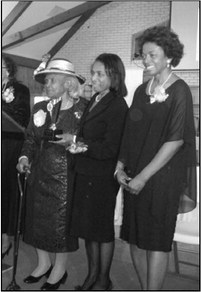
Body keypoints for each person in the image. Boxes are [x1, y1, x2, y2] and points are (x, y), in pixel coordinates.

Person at [116, 26, 197, 290]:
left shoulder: (180, 90)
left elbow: (175, 141)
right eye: (143, 55)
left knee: (155, 243)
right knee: (135, 241)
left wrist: (142, 177)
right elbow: (128, 133)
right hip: (135, 174)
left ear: (169, 57)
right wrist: (119, 167)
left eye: (153, 55)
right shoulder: (141, 91)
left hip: (161, 179)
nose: (146, 60)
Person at [55, 53, 128, 290]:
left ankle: (103, 279)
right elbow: (88, 134)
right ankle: (92, 275)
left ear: (113, 76)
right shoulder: (97, 98)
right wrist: (75, 140)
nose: (93, 78)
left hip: (101, 177)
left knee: (102, 231)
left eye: (99, 74)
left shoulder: (117, 105)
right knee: (89, 230)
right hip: (86, 172)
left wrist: (77, 143)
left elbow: (110, 148)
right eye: (93, 72)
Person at [16, 58, 87, 291]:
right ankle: (44, 263)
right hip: (38, 173)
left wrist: (76, 142)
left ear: (68, 84)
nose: (46, 85)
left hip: (66, 177)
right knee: (36, 221)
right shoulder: (39, 108)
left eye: (51, 80)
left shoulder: (82, 109)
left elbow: (90, 140)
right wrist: (24, 158)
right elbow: (29, 138)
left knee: (60, 225)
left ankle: (60, 269)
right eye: (45, 81)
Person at [2, 54, 30, 259]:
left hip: (10, 146)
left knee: (7, 191)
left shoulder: (20, 90)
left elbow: (22, 120)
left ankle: (6, 238)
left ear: (9, 69)